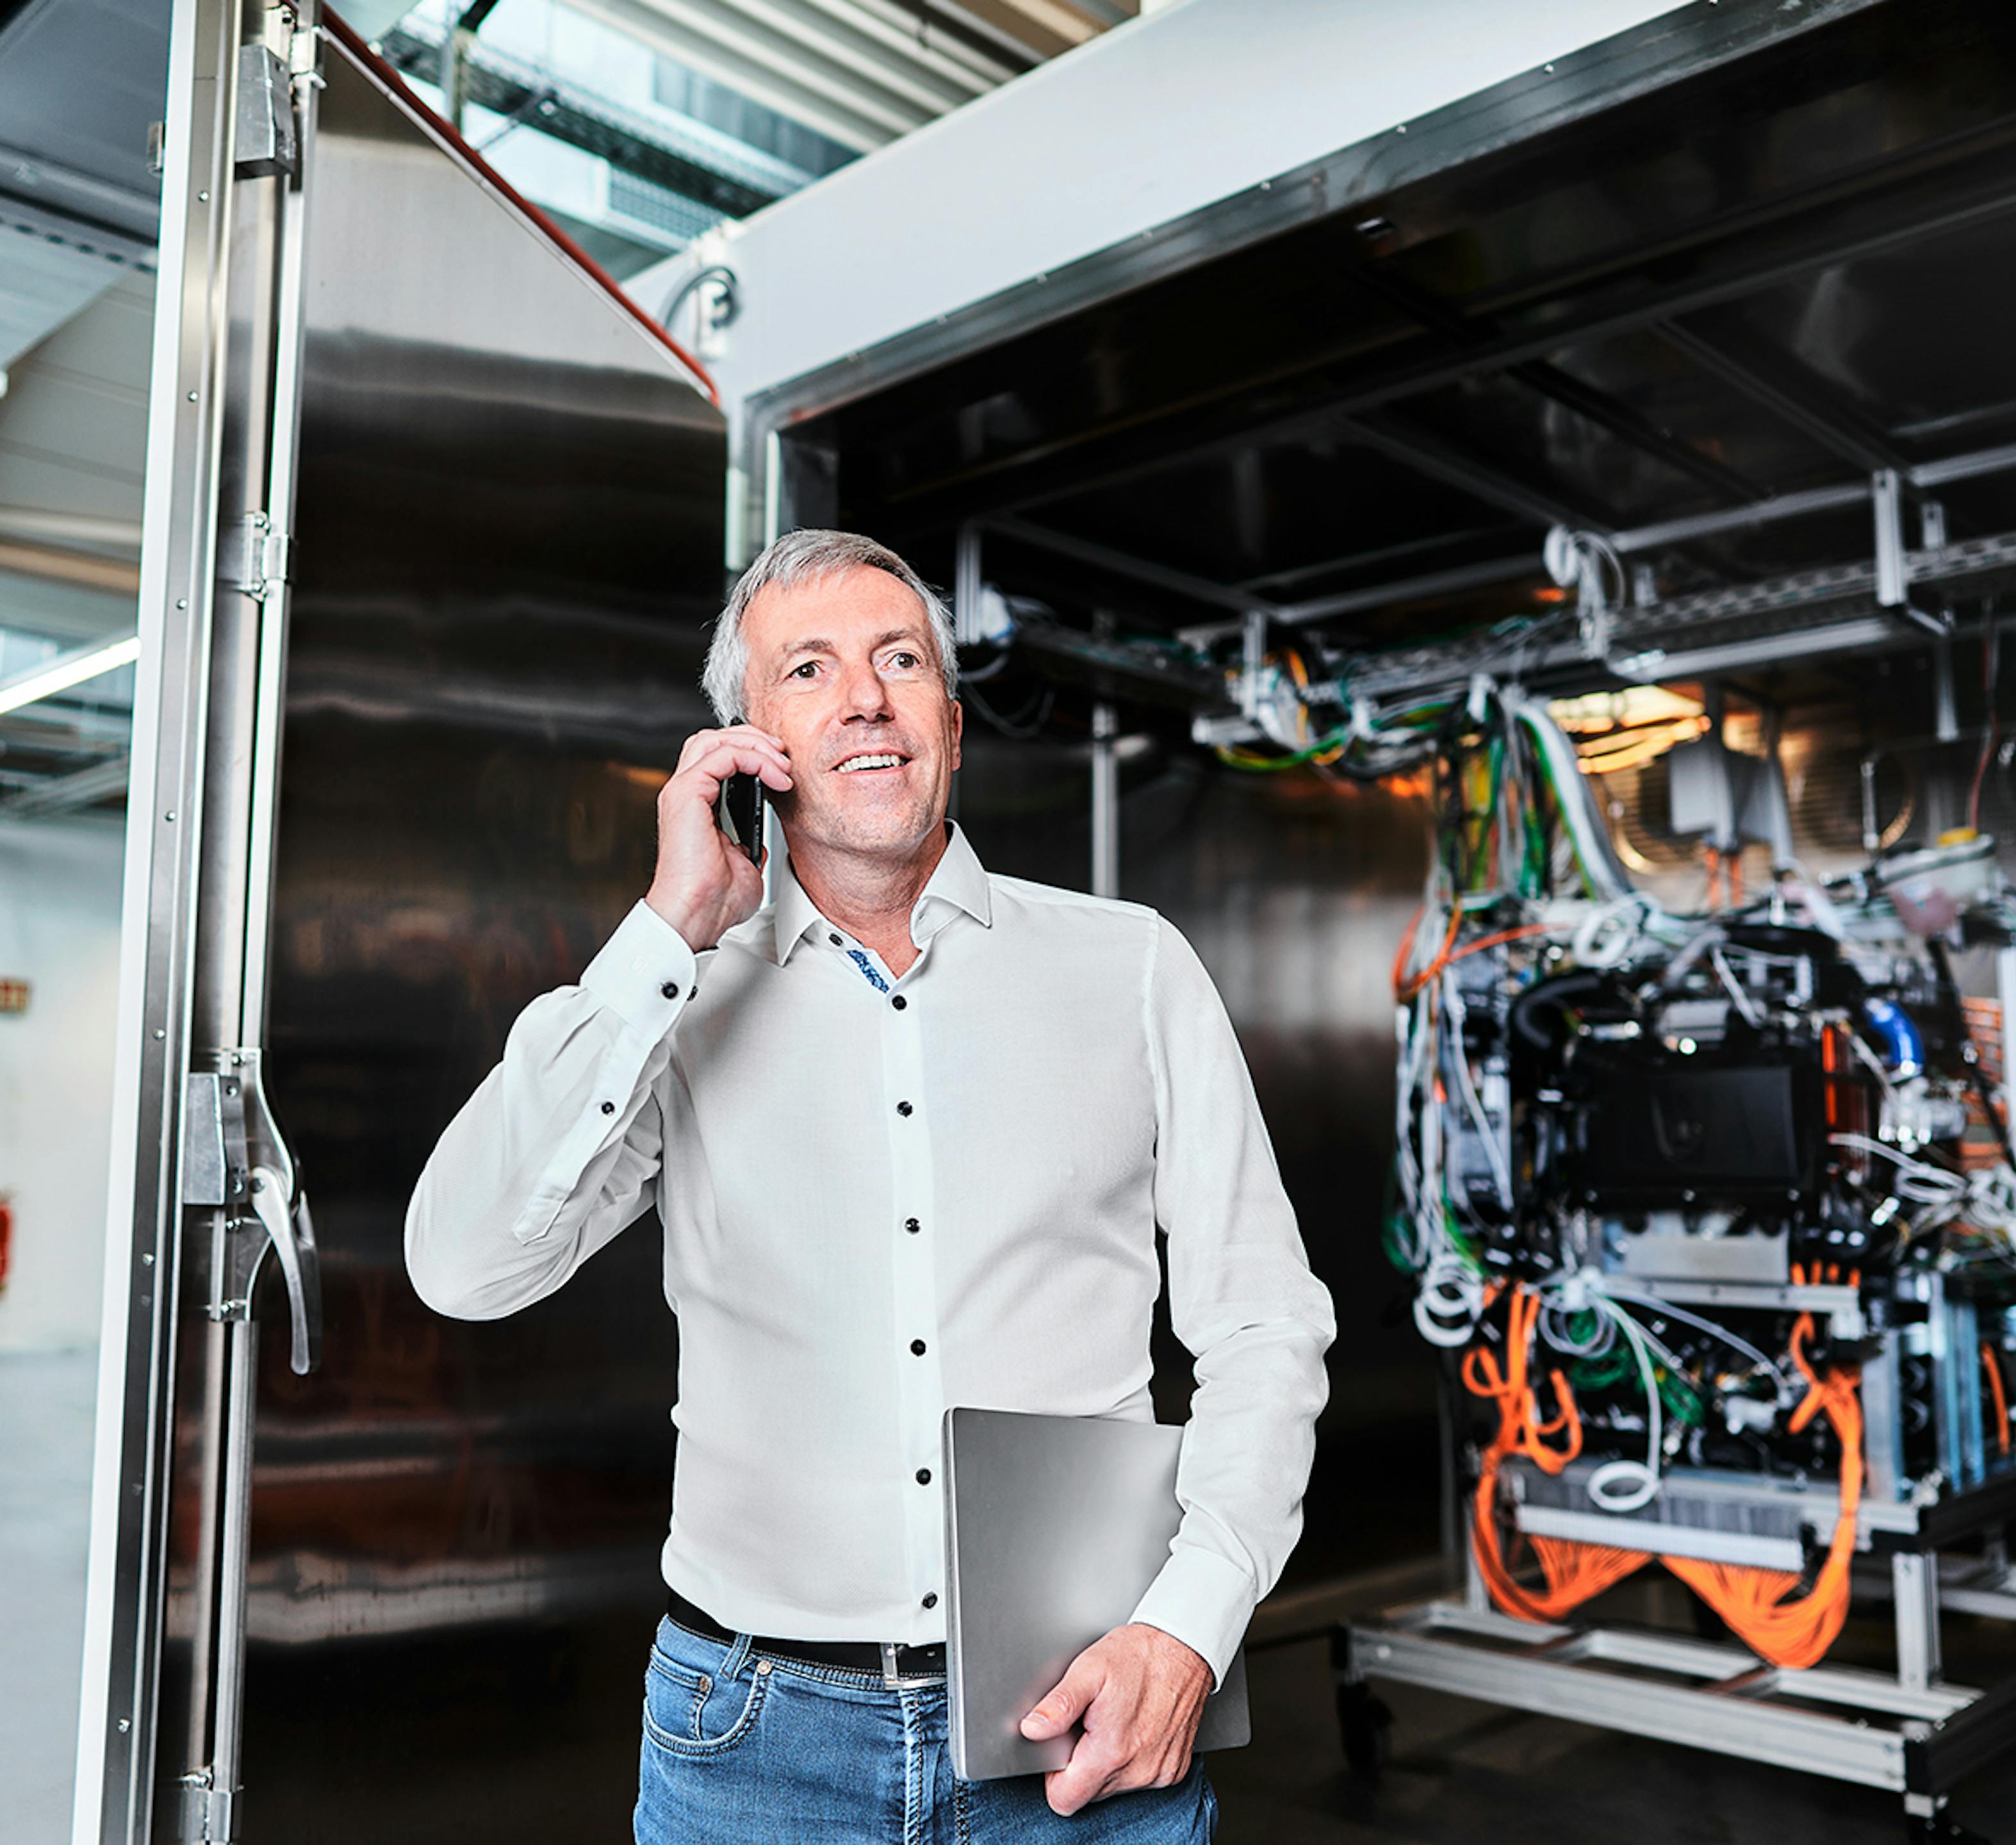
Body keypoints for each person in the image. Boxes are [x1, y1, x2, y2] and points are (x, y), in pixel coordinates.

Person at [406, 530, 1336, 1842]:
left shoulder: (1130, 967)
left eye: (900, 660)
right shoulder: (671, 1000)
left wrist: (1189, 1628)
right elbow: (465, 1264)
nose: (863, 698)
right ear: (748, 739)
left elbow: (1264, 1325)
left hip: (1081, 1715)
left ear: (949, 722)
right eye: (810, 669)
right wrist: (664, 932)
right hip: (749, 1746)